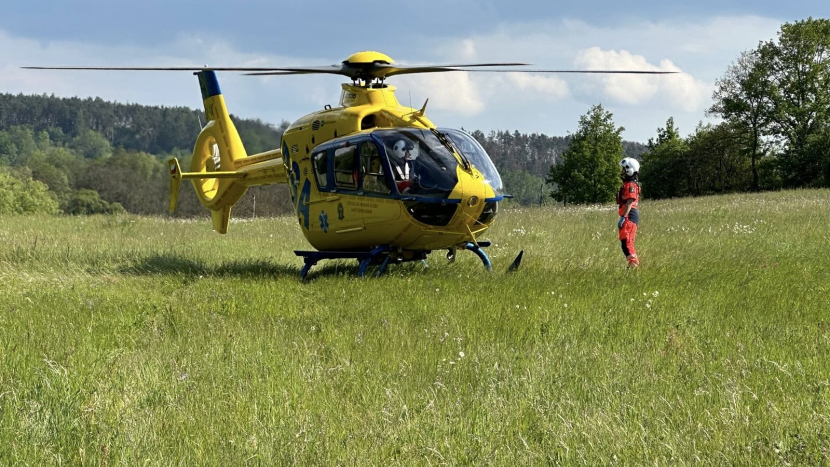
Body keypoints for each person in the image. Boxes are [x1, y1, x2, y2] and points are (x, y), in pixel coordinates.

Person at [617, 157, 641, 268]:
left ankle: (634, 265)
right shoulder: (628, 183)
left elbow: (630, 202)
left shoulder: (631, 185)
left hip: (629, 216)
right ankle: (631, 265)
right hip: (627, 215)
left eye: (623, 169)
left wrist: (623, 216)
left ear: (629, 169)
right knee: (624, 242)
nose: (622, 171)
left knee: (627, 242)